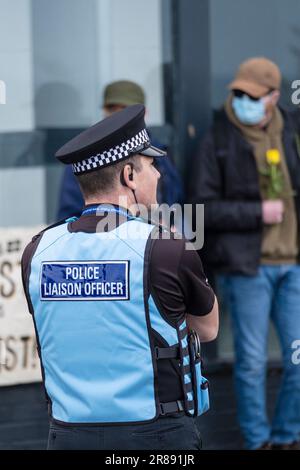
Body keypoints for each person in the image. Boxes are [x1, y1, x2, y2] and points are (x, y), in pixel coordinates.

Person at [21, 104, 219, 450]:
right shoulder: (165, 248)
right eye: (151, 165)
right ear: (129, 176)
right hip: (155, 436)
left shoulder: (38, 251)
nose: (158, 175)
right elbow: (208, 329)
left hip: (67, 435)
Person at [189, 57, 300, 450]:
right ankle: (258, 441)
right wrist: (258, 212)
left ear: (272, 98)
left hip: (294, 266)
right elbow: (200, 208)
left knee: (297, 360)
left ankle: (288, 436)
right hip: (247, 268)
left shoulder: (292, 130)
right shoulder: (217, 138)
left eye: (252, 96)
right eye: (237, 94)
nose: (242, 101)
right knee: (251, 364)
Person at [57, 80, 184, 220]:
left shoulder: (160, 152)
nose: (118, 116)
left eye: (125, 110)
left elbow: (176, 203)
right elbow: (70, 216)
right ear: (104, 112)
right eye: (112, 110)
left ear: (144, 113)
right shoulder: (87, 157)